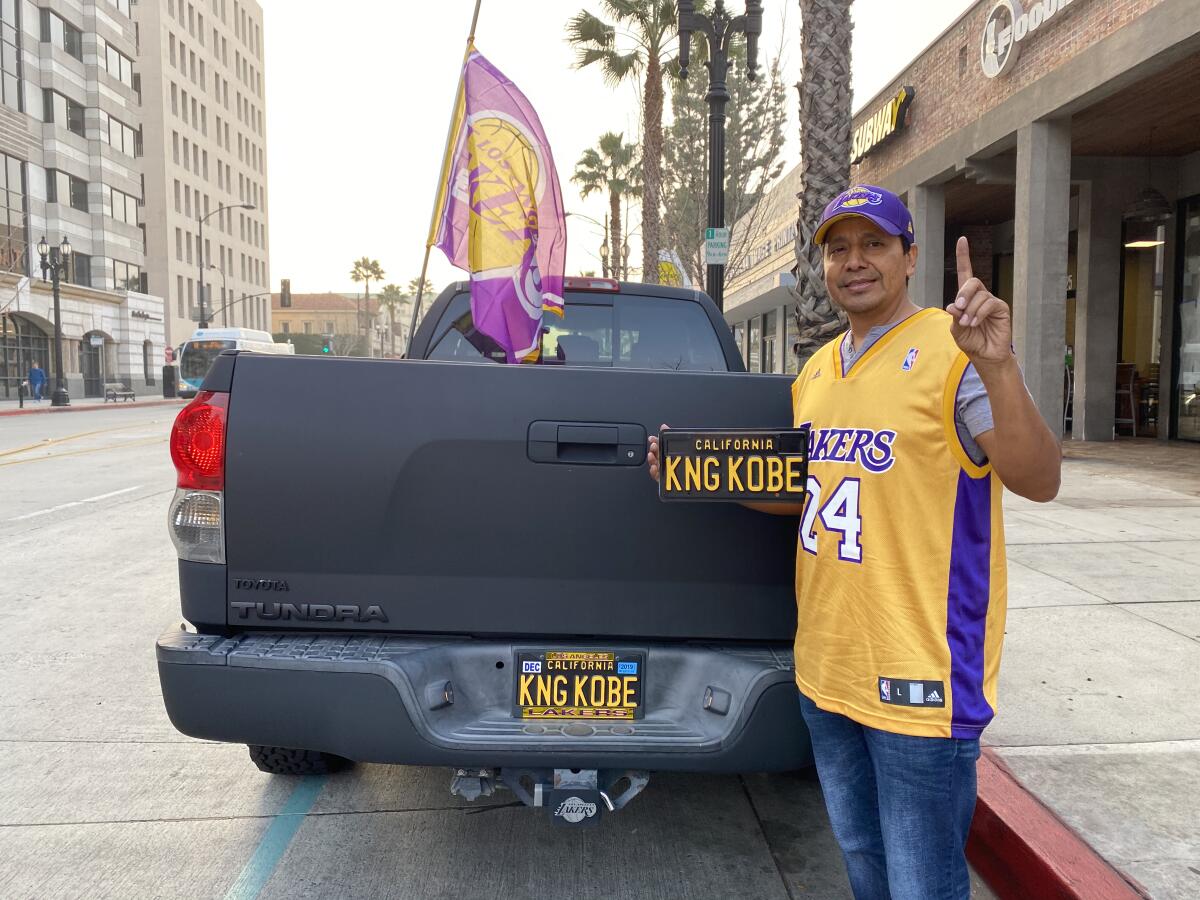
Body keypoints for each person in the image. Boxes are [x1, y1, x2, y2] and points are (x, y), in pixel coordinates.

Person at [647, 185, 1061, 900]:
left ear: (910, 257)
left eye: (874, 244)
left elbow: (1039, 478)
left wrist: (997, 364)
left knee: (922, 885)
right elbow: (810, 492)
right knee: (864, 862)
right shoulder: (816, 374)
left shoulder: (951, 350)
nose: (854, 261)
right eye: (838, 248)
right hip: (829, 672)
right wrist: (702, 475)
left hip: (918, 682)